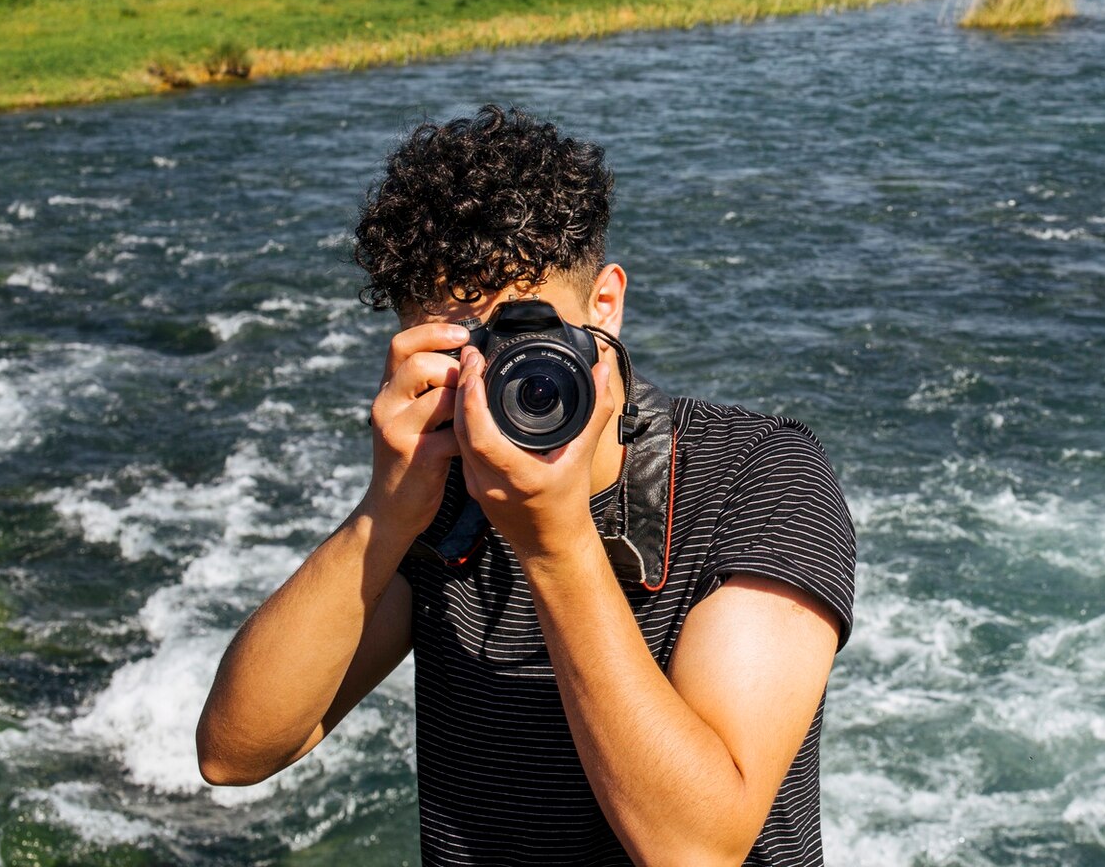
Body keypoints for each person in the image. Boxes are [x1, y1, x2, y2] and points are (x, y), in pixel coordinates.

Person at [196, 107, 856, 866]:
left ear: (604, 303)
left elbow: (698, 849)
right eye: (463, 350)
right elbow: (234, 753)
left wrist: (558, 545)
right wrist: (385, 510)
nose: (503, 380)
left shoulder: (759, 477)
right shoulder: (440, 500)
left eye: (527, 336)